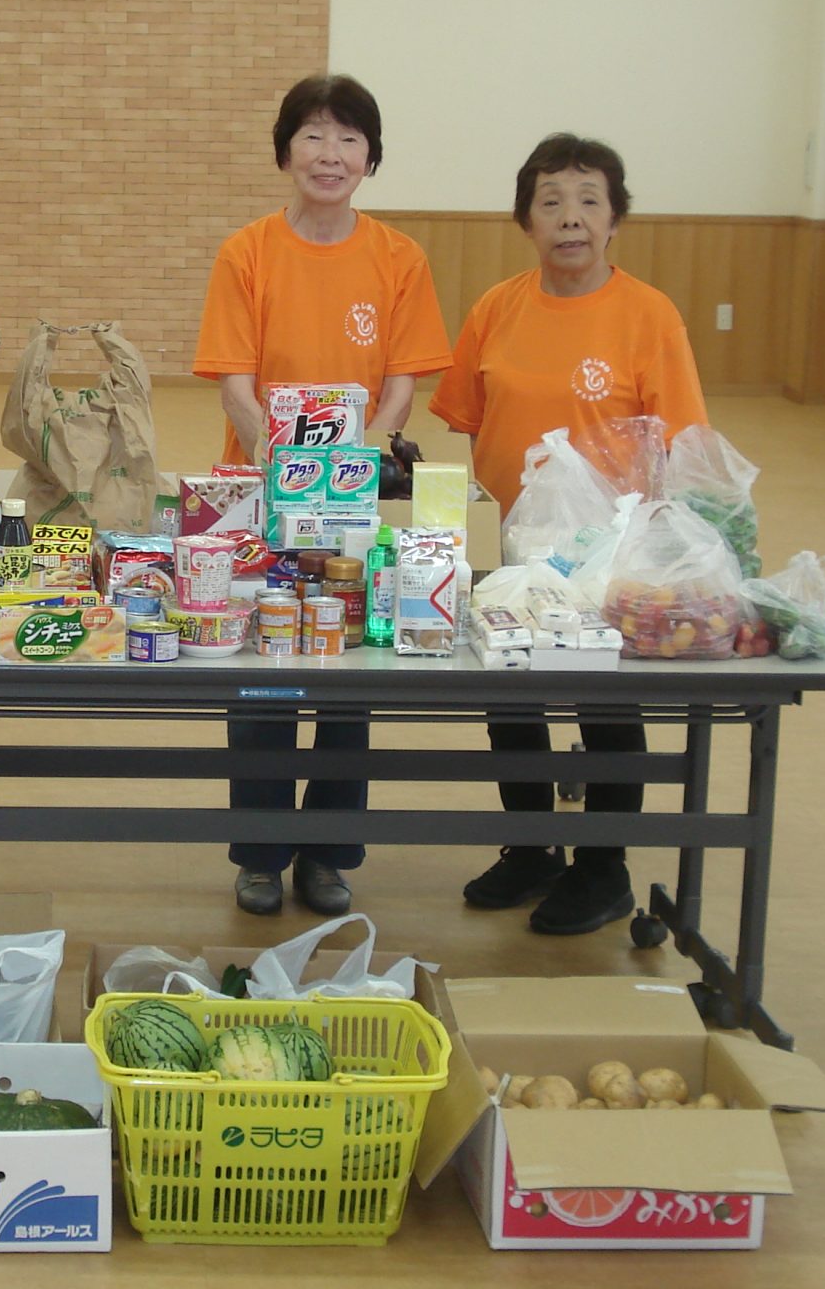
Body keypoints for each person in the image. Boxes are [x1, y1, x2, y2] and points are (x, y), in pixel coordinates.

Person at [430, 133, 708, 934]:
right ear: (527, 220)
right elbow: (467, 420)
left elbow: (681, 445)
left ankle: (604, 867)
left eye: (589, 200)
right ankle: (532, 847)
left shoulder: (649, 316)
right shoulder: (496, 308)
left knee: (605, 706)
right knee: (509, 699)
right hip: (512, 546)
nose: (571, 218)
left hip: (606, 555)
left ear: (616, 218)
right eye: (550, 202)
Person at [193, 74, 451, 917]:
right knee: (263, 670)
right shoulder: (248, 252)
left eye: (348, 137)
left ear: (371, 157)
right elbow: (236, 383)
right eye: (312, 134)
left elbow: (403, 384)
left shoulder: (398, 257)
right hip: (263, 496)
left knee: (351, 670)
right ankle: (261, 852)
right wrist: (283, 462)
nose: (330, 153)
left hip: (351, 502)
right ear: (284, 151)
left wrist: (351, 460)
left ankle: (330, 853)